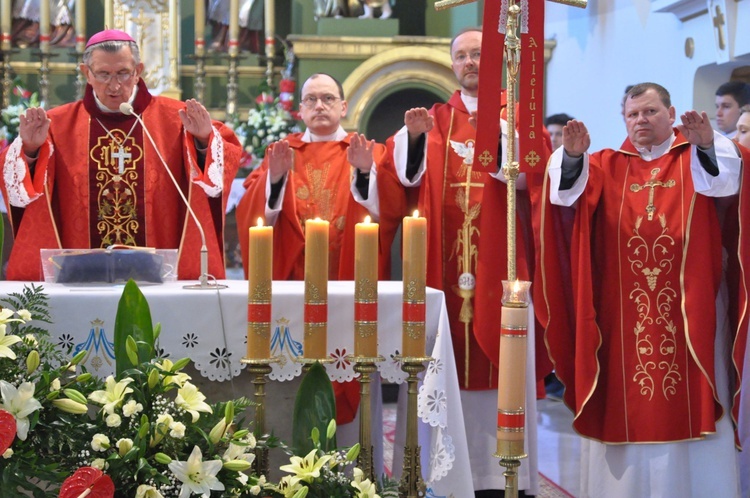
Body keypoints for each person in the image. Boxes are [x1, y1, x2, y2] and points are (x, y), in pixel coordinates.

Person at [541, 82, 745, 497]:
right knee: (624, 398)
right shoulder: (605, 164)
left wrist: (706, 145)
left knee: (695, 392)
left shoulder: (697, 155)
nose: (641, 121)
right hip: (623, 316)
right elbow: (563, 197)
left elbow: (726, 185)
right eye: (633, 114)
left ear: (671, 115)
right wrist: (573, 156)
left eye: (650, 112)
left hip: (692, 310)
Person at [388, 26, 545, 497]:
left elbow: (532, 178)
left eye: (478, 54)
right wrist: (415, 141)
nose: (470, 62)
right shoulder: (433, 118)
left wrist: (497, 147)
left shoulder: (516, 114)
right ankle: (443, 471)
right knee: (446, 355)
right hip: (443, 263)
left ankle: (503, 473)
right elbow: (404, 176)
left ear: (493, 60)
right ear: (452, 64)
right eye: (462, 55)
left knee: (502, 360)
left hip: (501, 265)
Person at [0, 29, 241, 281]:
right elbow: (21, 191)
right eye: (103, 74)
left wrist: (203, 141)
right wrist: (30, 150)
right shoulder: (56, 126)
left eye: (123, 73)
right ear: (86, 74)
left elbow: (219, 171)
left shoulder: (179, 120)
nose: (114, 85)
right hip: (79, 281)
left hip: (161, 278)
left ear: (138, 71)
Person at [235, 72, 404, 424]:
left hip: (349, 285)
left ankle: (358, 469)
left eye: (328, 98)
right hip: (295, 289)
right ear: (300, 110)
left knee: (352, 367)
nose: (320, 106)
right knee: (296, 382)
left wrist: (364, 172)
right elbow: (253, 216)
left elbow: (391, 210)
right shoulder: (282, 154)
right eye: (311, 99)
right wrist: (276, 178)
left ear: (343, 106)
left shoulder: (368, 152)